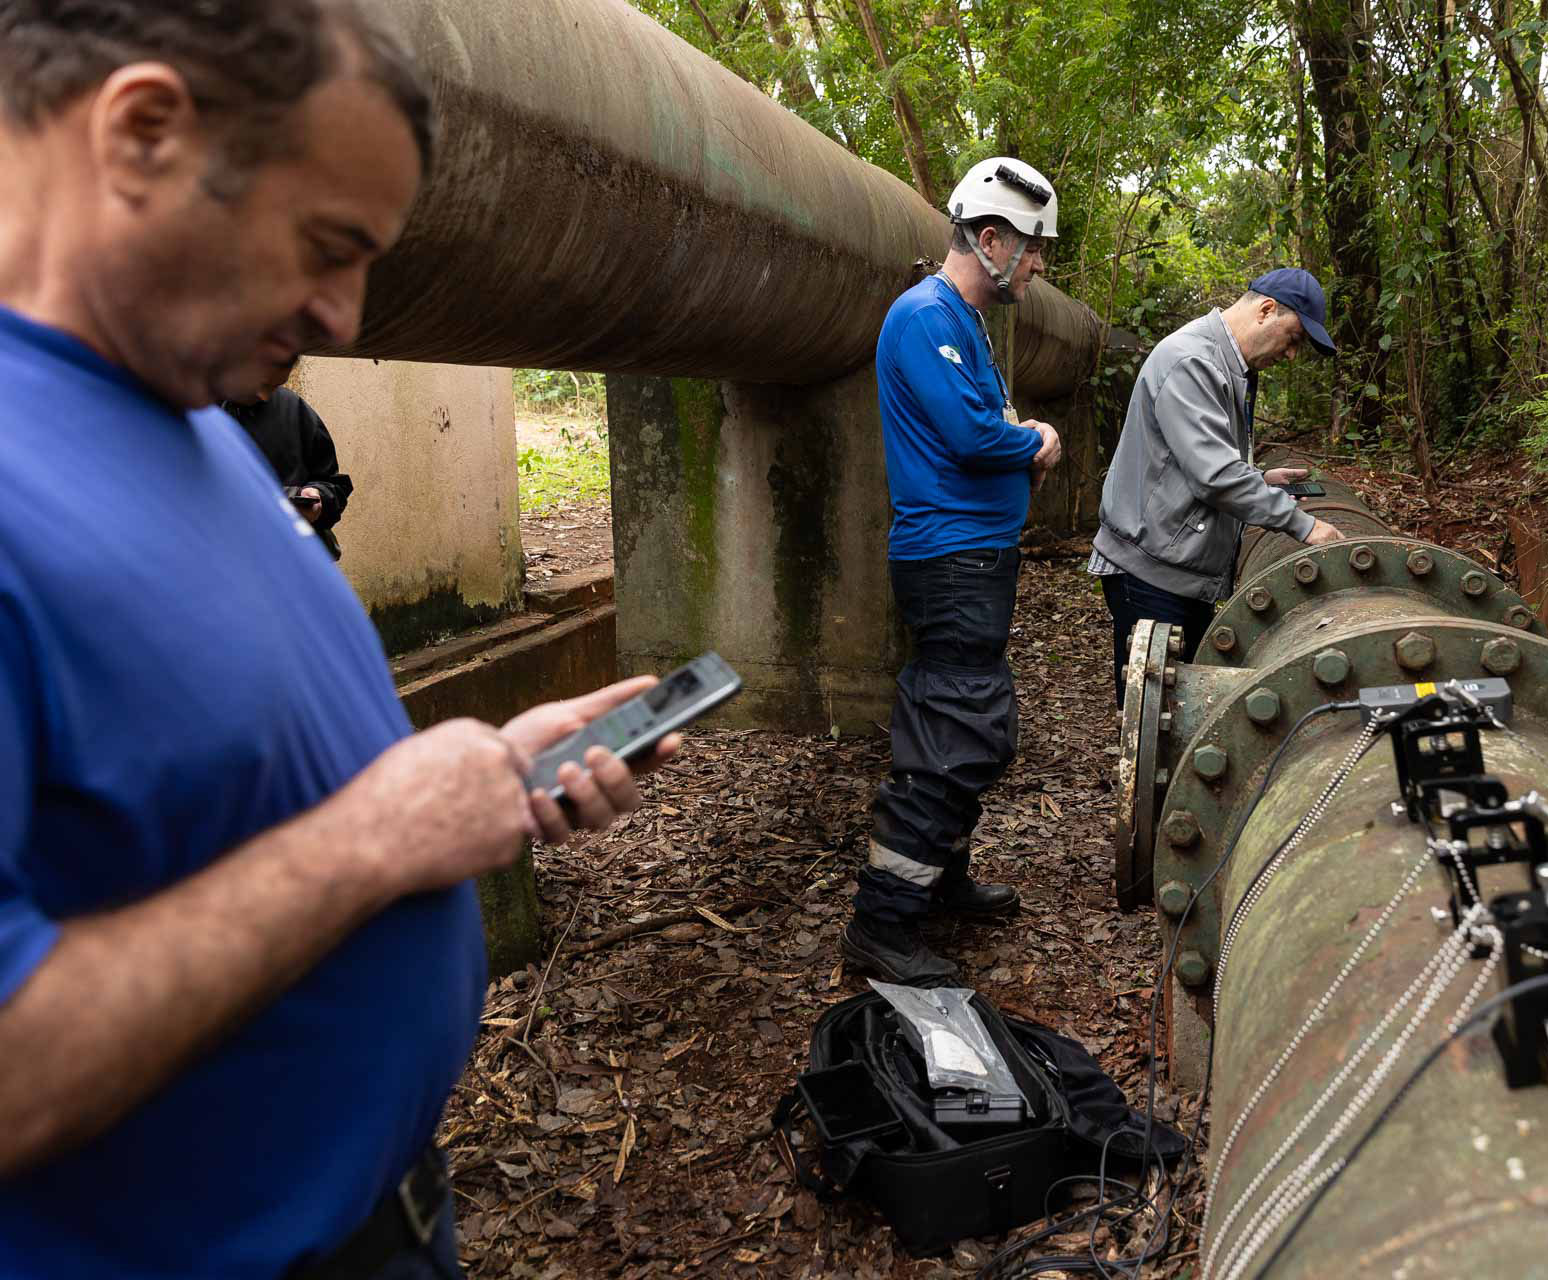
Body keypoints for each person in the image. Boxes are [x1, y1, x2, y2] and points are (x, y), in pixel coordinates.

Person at [0, 4, 681, 1276]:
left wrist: (479, 773)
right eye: (328, 244)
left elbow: (205, 772)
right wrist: (373, 840)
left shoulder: (183, 400)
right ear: (141, 131)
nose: (345, 314)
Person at [841, 157, 1064, 985]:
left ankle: (939, 880)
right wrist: (1035, 441)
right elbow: (975, 437)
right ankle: (882, 921)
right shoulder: (922, 315)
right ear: (992, 237)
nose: (1039, 263)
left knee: (971, 727)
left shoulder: (966, 320)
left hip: (974, 557)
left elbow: (981, 423)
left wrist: (1019, 436)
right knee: (954, 736)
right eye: (1034, 246)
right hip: (951, 560)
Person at [1089, 269, 1347, 706]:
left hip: (1180, 572)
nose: (1290, 356)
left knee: (1179, 712)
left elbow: (1193, 462)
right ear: (1267, 310)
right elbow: (1214, 476)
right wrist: (1303, 526)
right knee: (1155, 725)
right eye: (1294, 339)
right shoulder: (1193, 361)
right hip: (1151, 574)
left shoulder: (1228, 366)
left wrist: (1261, 480)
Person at [223, 358, 354, 559]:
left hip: (288, 560)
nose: (264, 396)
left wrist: (319, 499)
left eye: (275, 386)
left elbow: (333, 485)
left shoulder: (294, 408)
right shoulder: (189, 410)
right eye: (262, 383)